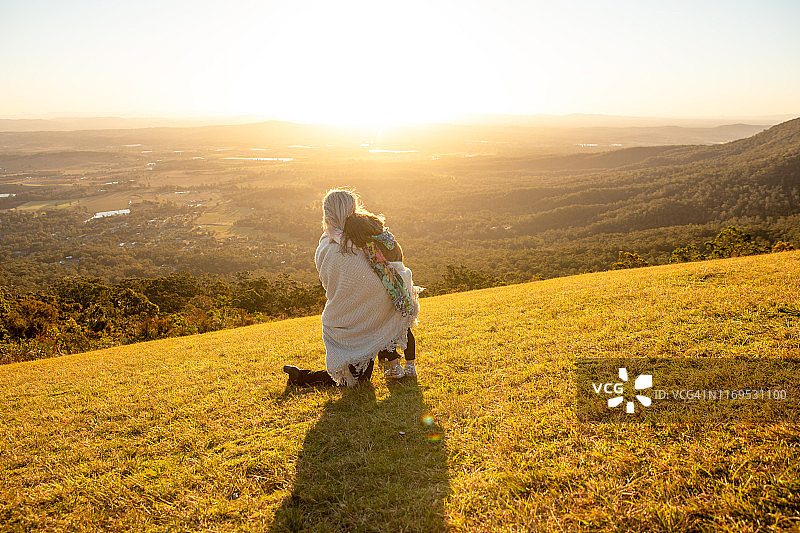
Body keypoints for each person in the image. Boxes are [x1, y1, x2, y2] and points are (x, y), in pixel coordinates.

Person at [283, 189, 421, 387]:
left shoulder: (327, 246)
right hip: (380, 310)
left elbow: (330, 286)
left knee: (353, 380)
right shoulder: (371, 237)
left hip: (351, 322)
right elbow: (396, 263)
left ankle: (301, 377)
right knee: (359, 378)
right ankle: (392, 360)